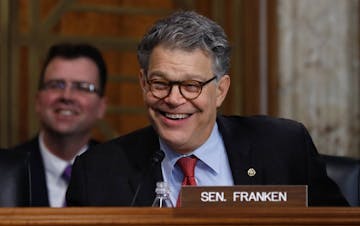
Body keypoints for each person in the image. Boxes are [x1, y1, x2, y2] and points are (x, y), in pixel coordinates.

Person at [66, 11, 348, 207]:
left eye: (191, 86)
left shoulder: (283, 148)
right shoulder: (97, 172)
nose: (174, 99)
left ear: (221, 90)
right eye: (160, 83)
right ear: (143, 83)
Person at [14, 43, 107, 207]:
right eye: (56, 85)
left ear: (101, 107)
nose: (67, 96)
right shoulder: (8, 172)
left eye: (82, 87)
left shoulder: (119, 173)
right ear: (38, 101)